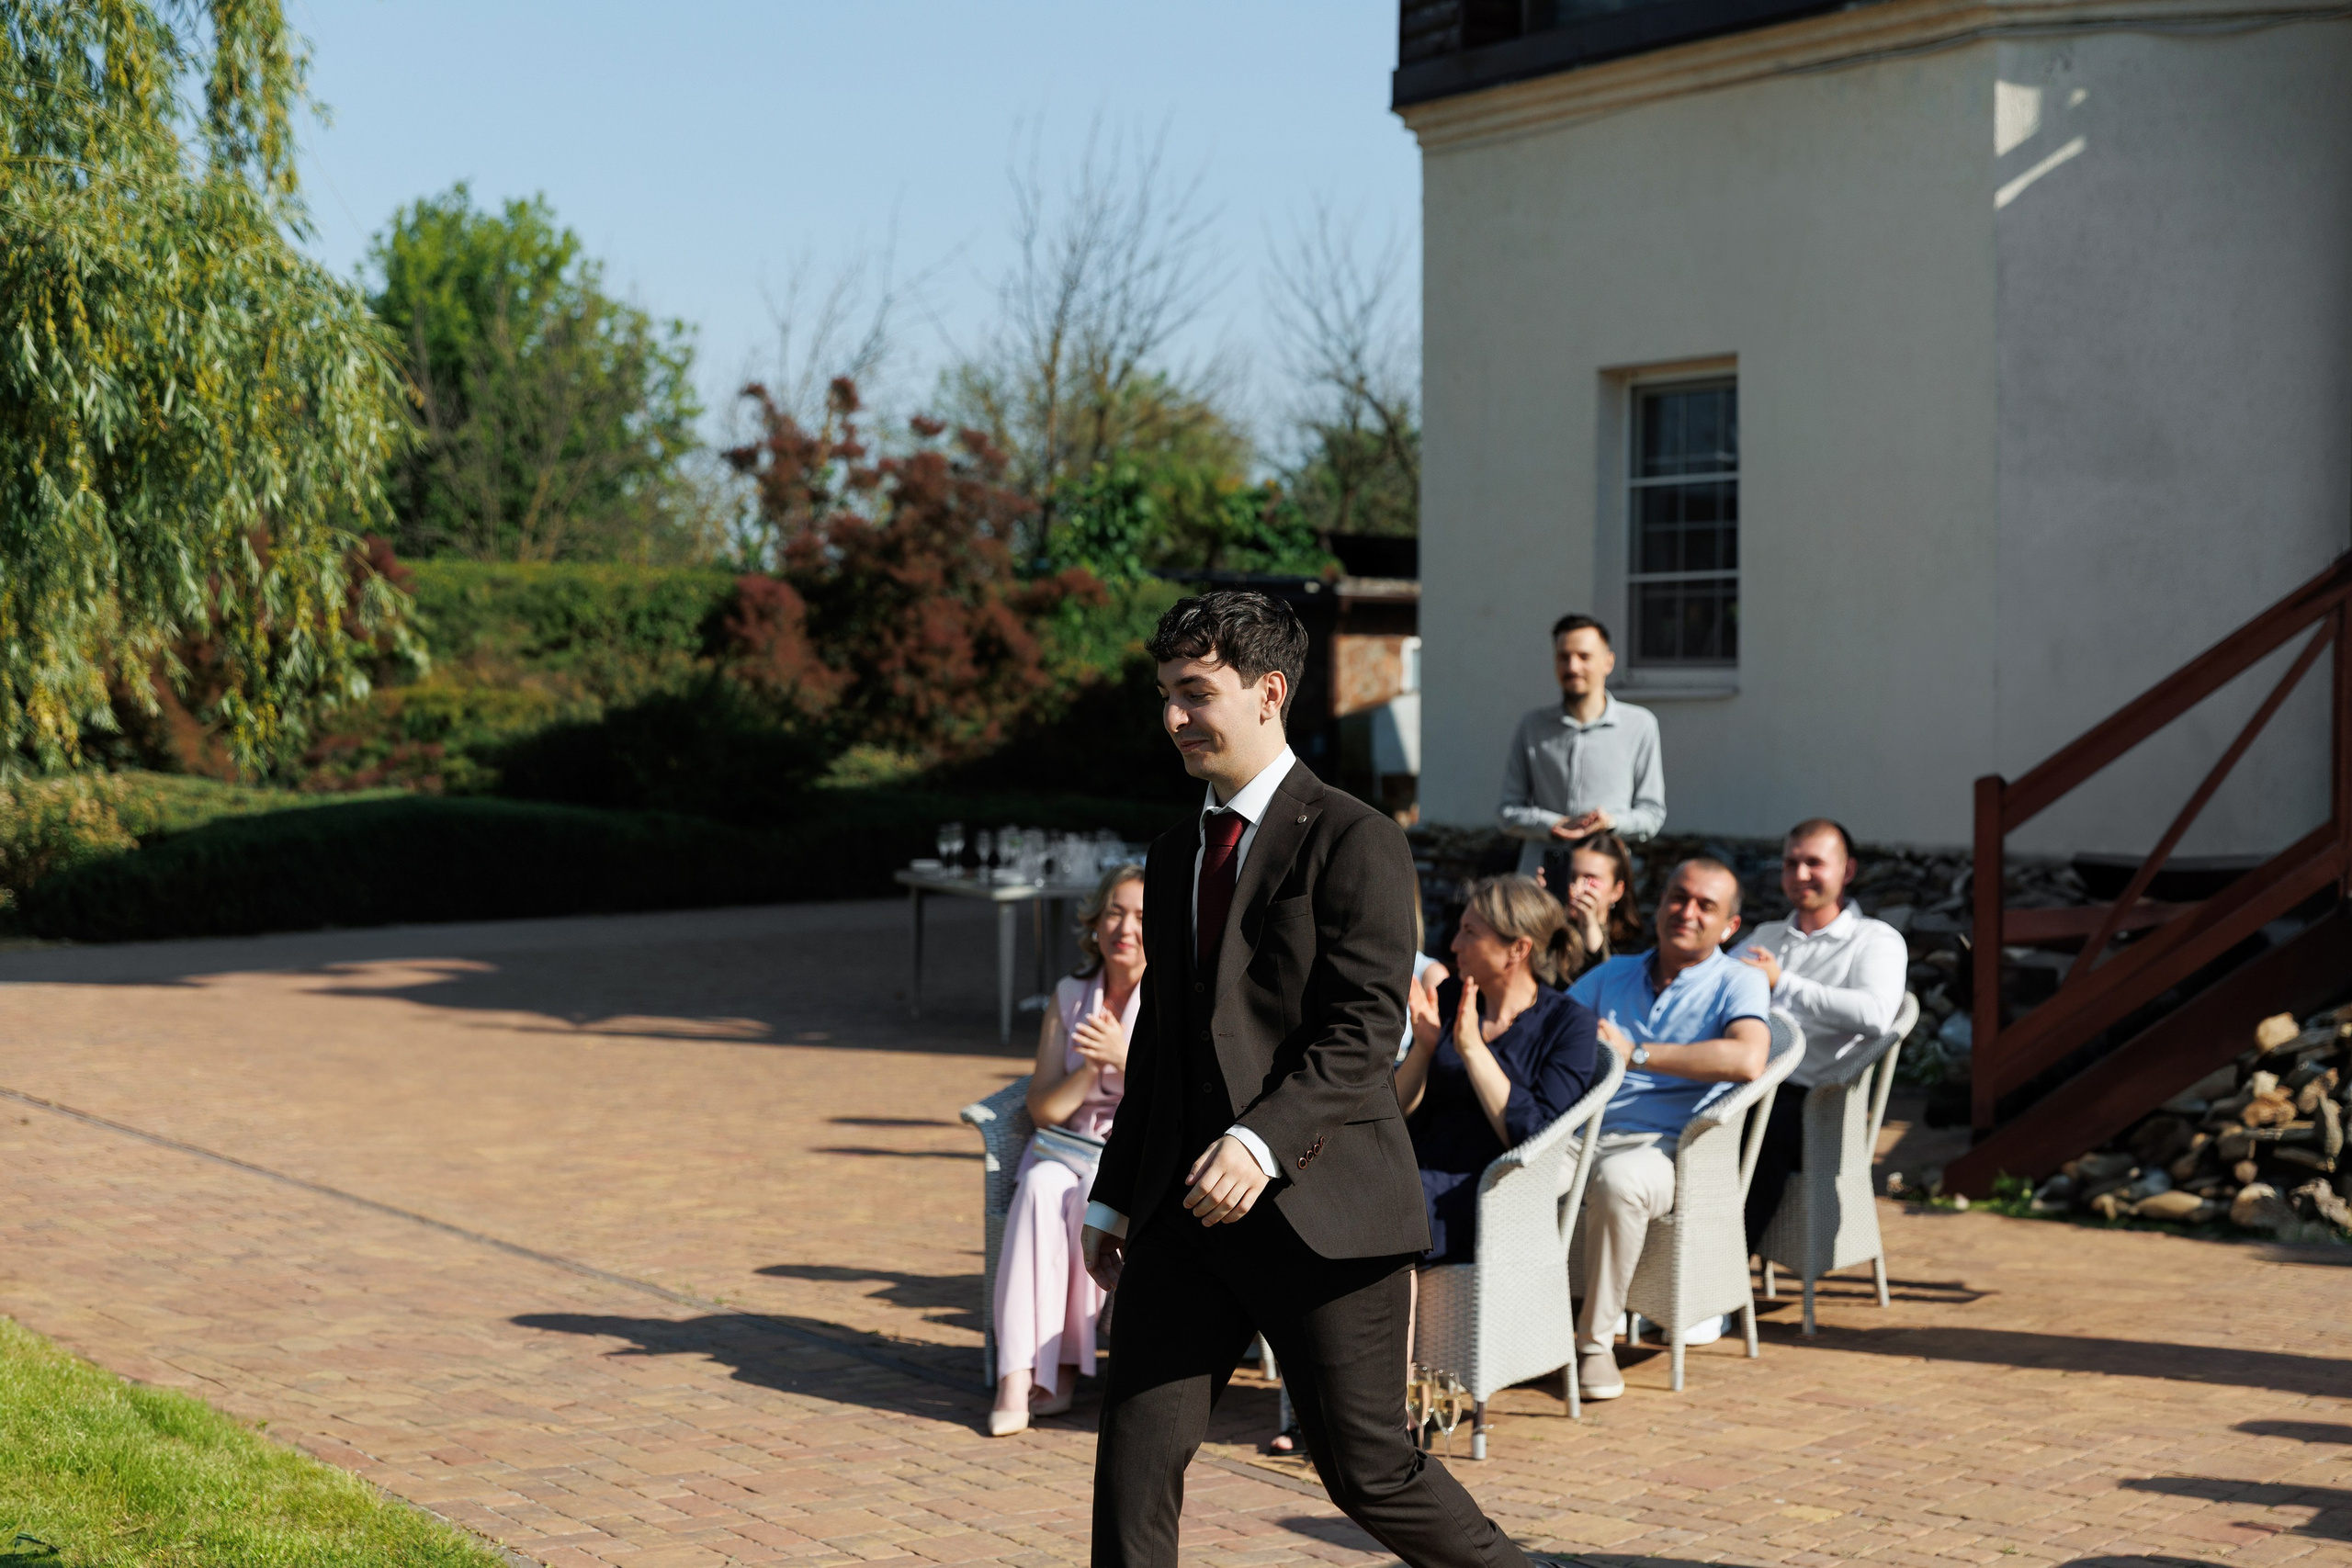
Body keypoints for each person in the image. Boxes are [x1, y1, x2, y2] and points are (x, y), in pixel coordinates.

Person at [1081, 590, 1532, 1568]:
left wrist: (1259, 1140)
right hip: (1185, 1217)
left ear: (1268, 692)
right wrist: (1115, 1198)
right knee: (1132, 1462)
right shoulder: (1170, 855)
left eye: (1194, 694)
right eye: (1164, 695)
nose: (1173, 719)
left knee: (1364, 1469)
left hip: (1325, 1212)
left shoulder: (1353, 836)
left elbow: (1365, 1026)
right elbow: (1161, 1039)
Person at [1566, 859, 1771, 1401]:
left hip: (1668, 1149)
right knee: (1504, 1171)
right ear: (1659, 906)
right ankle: (1513, 1325)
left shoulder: (1739, 981)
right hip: (1581, 1134)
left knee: (1618, 1182)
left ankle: (1593, 1345)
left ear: (1730, 925)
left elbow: (1749, 1057)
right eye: (1679, 898)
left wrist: (1638, 1055)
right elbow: (1554, 1031)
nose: (1688, 912)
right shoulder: (1612, 974)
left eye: (1707, 906)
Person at [989, 862, 1147, 1437]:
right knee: (1037, 1186)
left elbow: (1180, 1098)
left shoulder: (1170, 999)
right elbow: (1041, 1109)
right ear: (1095, 921)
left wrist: (1125, 1056)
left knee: (1091, 1198)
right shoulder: (1070, 994)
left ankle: (1060, 1372)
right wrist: (1089, 1070)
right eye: (1114, 912)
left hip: (1129, 1154)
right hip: (1063, 1145)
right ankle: (1016, 1373)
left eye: (1140, 917)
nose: (1124, 928)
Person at [1399, 875, 1602, 1265]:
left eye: (1470, 933)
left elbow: (1538, 1139)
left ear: (1518, 949)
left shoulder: (1568, 1025)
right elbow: (1398, 1112)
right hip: (1417, 1169)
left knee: (1386, 1215)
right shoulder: (1450, 995)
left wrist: (1473, 1049)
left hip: (1490, 1188)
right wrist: (1423, 1050)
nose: (1454, 945)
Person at [1736, 819, 1910, 1251]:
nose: (1799, 875)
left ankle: (1719, 1286)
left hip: (1814, 1106)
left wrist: (1783, 983)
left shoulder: (1874, 939)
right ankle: (1660, 1276)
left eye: (1814, 863)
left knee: (1752, 1131)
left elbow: (1875, 1015)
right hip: (1744, 1082)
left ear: (1846, 871)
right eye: (1791, 863)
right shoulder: (1767, 936)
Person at [1498, 615, 1666, 882]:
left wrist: (1610, 822)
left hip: (1602, 878)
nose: (1573, 666)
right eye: (1563, 657)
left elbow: (1652, 815)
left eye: (1584, 656)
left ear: (1608, 662)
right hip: (1539, 879)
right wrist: (1553, 825)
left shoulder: (1639, 725)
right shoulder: (1533, 726)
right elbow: (1507, 813)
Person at [1548, 830, 1645, 977]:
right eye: (1571, 877)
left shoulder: (1632, 951)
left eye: (1590, 880)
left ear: (1617, 891)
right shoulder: (1550, 936)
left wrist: (1589, 925)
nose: (1576, 888)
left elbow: (1603, 986)